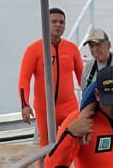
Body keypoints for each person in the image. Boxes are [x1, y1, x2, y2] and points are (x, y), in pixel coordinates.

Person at [18, 8, 84, 147]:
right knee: (46, 146)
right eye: (54, 21)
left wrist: (91, 100)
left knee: (76, 141)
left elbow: (82, 78)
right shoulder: (34, 49)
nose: (58, 25)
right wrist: (25, 105)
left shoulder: (72, 49)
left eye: (62, 22)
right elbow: (24, 78)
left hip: (69, 107)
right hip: (44, 108)